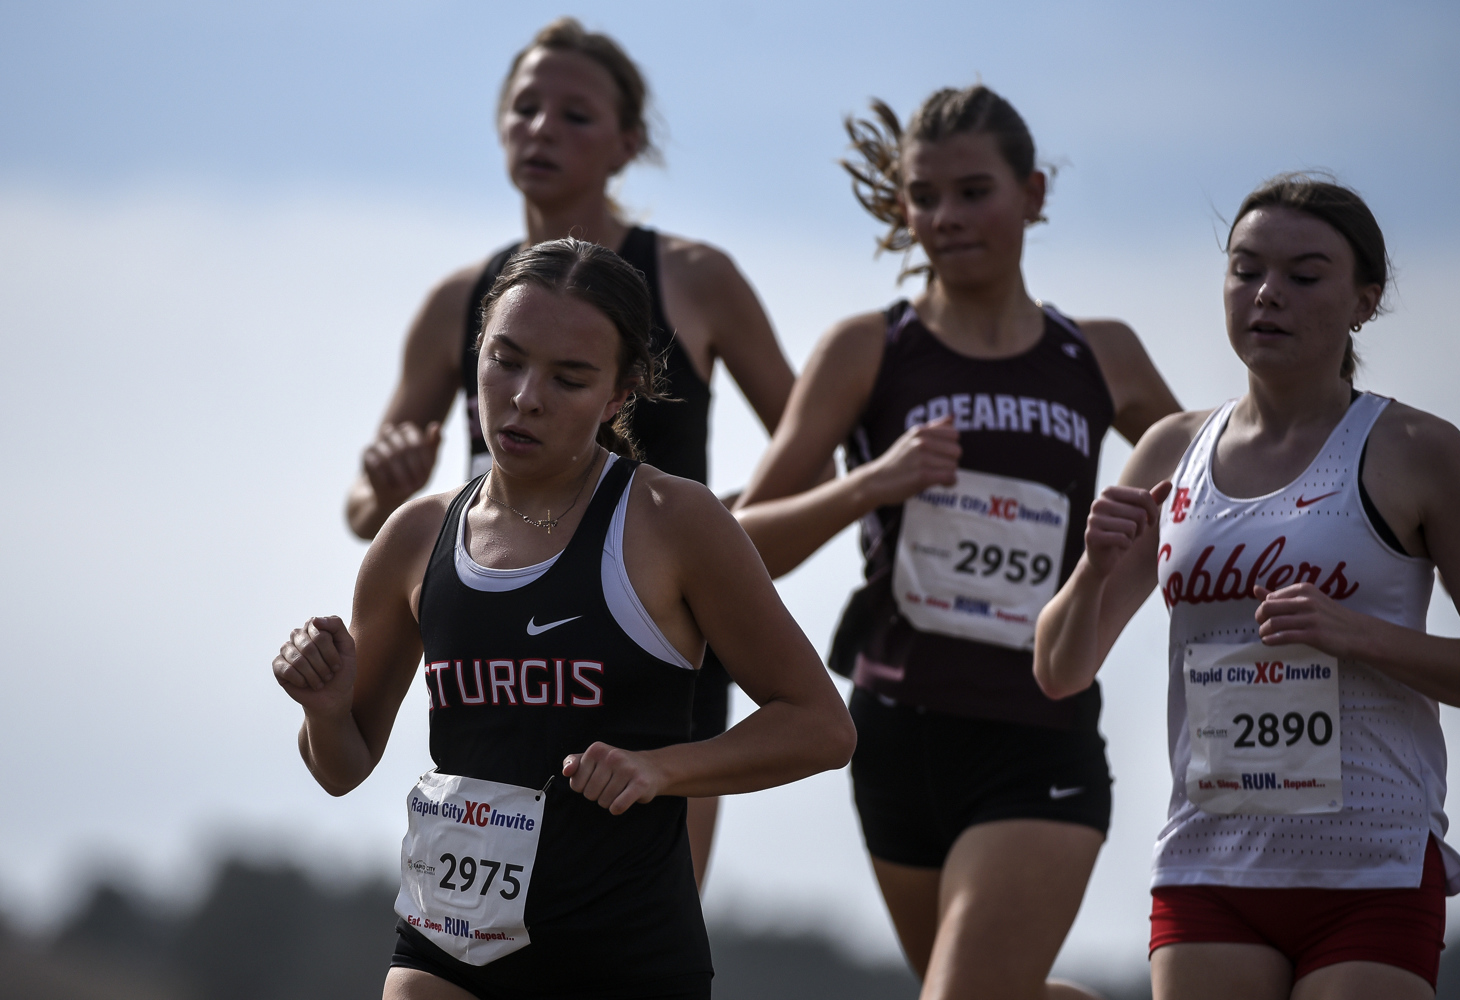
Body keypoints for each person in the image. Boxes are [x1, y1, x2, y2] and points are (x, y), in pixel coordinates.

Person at [275, 238, 856, 1000]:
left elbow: (821, 726)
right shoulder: (415, 539)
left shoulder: (670, 519)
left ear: (620, 396)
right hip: (445, 947)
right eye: (505, 361)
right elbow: (343, 766)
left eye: (569, 379)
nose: (524, 398)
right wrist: (323, 709)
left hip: (622, 958)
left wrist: (661, 770)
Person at [733, 86, 1180, 999]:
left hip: (1037, 733)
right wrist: (870, 482)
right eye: (924, 197)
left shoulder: (1101, 355)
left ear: (1034, 195)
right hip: (897, 735)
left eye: (974, 191)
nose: (946, 217)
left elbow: (1223, 487)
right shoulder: (868, 351)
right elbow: (738, 549)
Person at [343, 18, 807, 887]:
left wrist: (725, 535)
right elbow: (368, 513)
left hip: (654, 643)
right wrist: (384, 487)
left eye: (575, 115)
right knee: (483, 932)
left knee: (631, 922)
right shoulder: (458, 300)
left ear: (629, 143)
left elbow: (811, 437)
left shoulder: (696, 278)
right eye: (525, 107)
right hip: (500, 650)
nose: (542, 129)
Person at [1034, 174, 1460, 1000]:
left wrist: (1360, 635)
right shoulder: (1169, 451)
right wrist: (1093, 573)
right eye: (1246, 271)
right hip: (1209, 862)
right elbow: (1059, 670)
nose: (1267, 296)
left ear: (1365, 299)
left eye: (1304, 275)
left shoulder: (1421, 448)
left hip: (1372, 863)